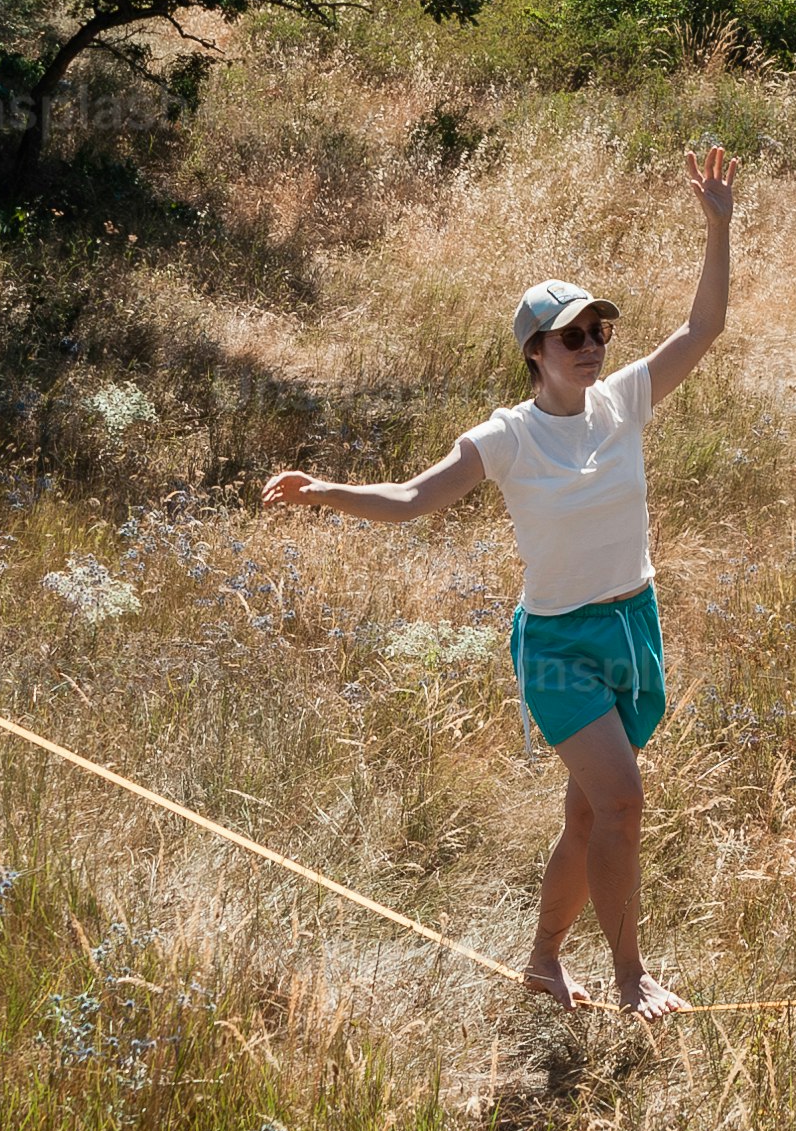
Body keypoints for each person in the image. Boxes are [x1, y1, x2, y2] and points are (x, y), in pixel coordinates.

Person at [267, 146, 734, 1015]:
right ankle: (633, 978)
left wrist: (718, 228)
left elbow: (702, 329)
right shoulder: (508, 436)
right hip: (558, 643)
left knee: (590, 818)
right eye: (574, 335)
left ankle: (542, 961)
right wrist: (323, 491)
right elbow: (411, 498)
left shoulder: (625, 400)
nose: (593, 346)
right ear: (535, 350)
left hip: (635, 624)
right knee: (625, 803)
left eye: (600, 331)